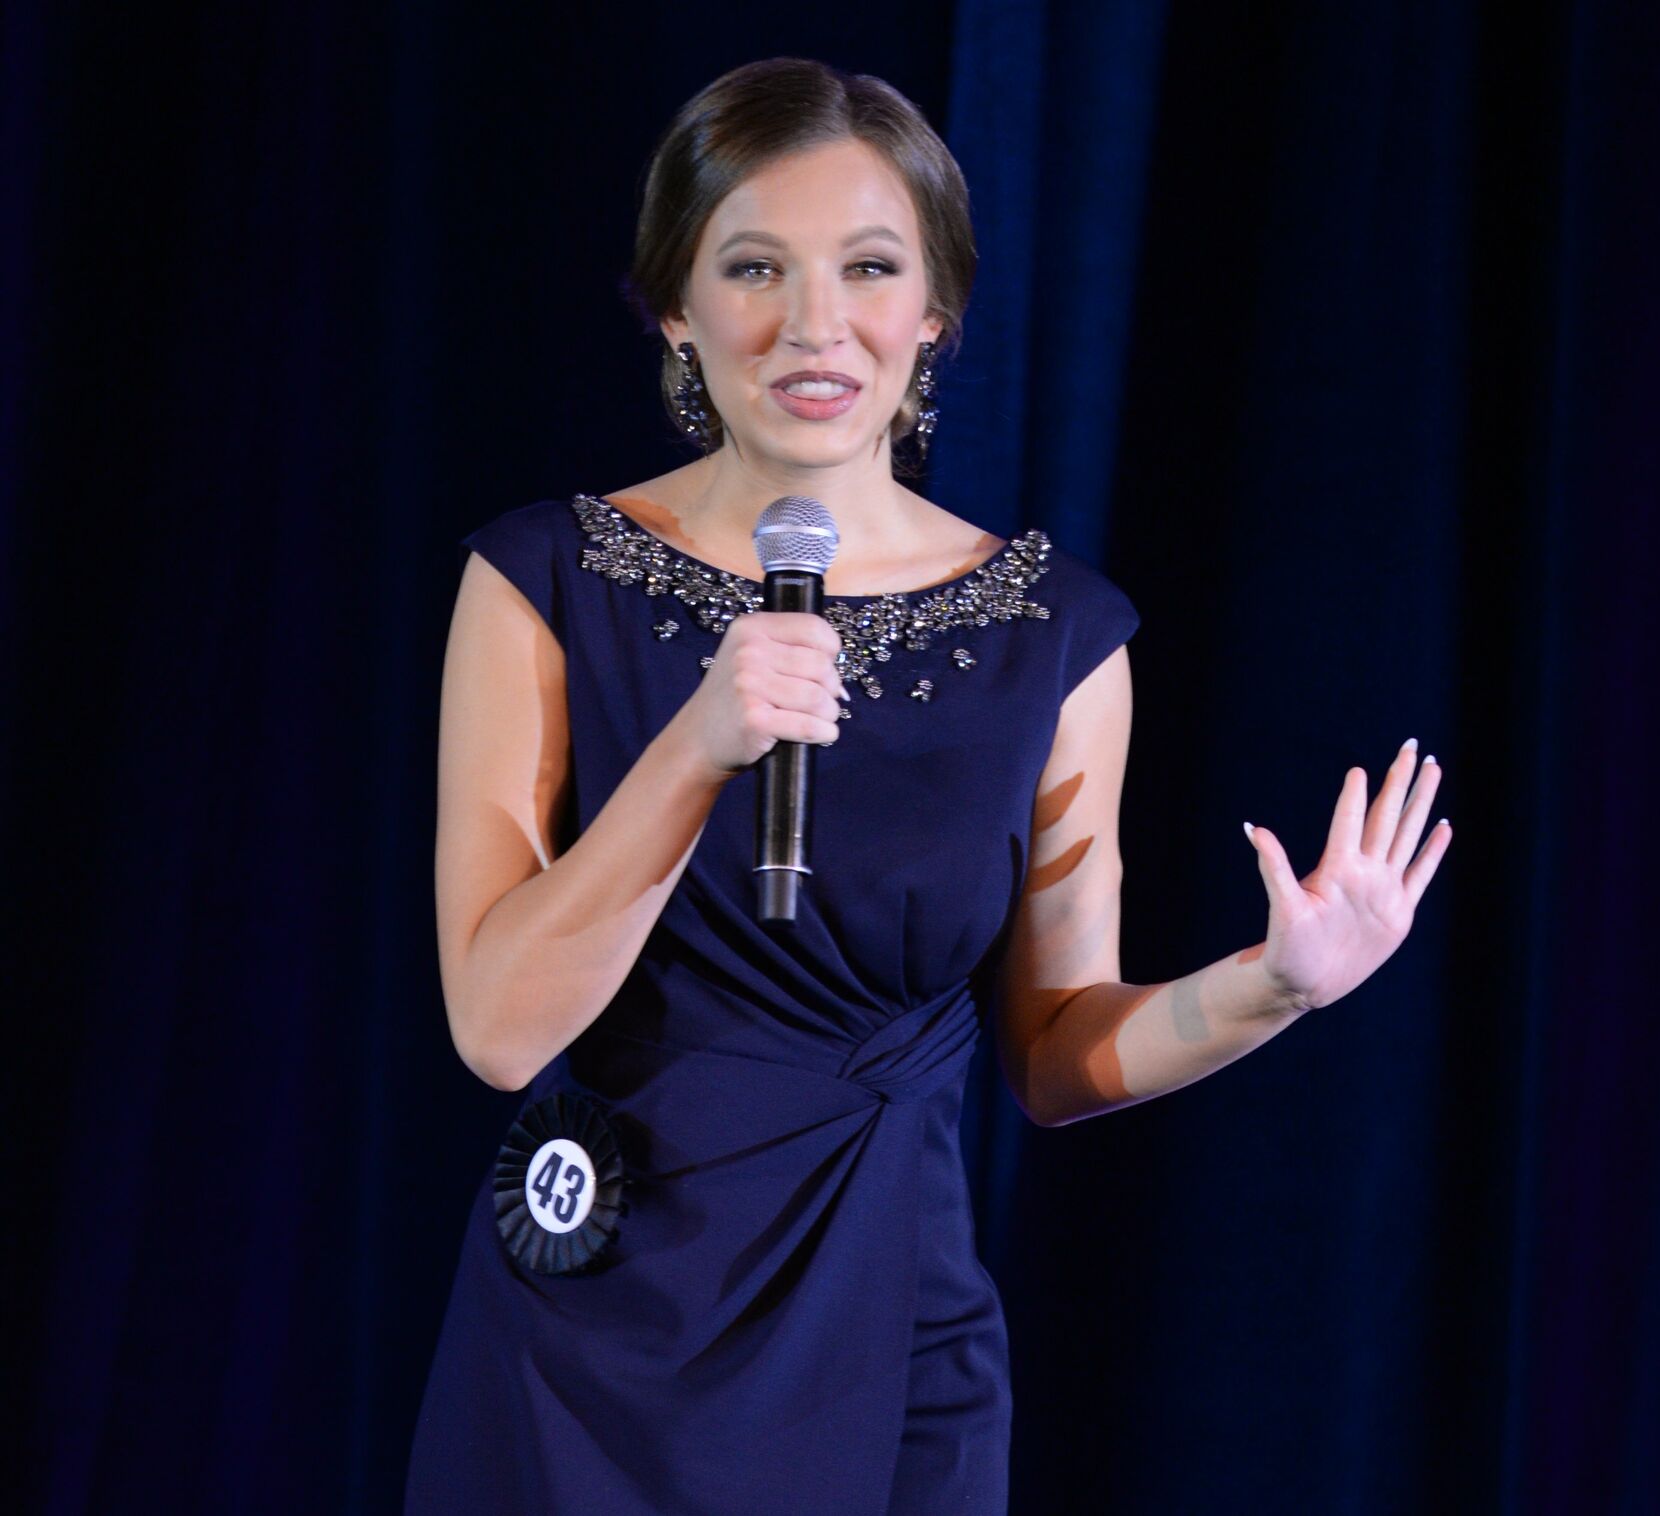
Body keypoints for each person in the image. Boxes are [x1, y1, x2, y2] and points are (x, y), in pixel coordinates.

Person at [406, 56, 1451, 1515]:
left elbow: (1054, 1050)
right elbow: (501, 1030)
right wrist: (699, 746)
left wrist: (1276, 986)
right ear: (675, 308)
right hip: (590, 1333)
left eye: (870, 268)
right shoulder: (541, 583)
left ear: (935, 315)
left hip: (894, 1328)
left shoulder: (1058, 639)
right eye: (754, 266)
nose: (815, 325)